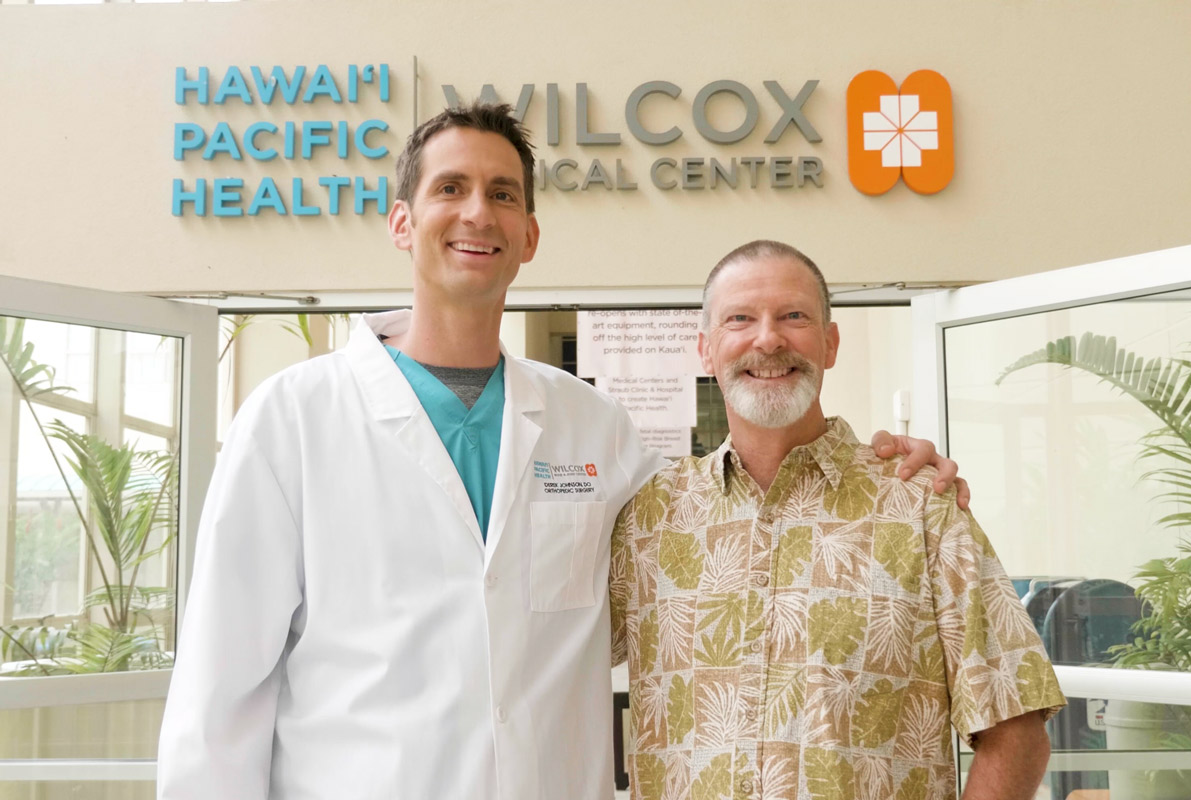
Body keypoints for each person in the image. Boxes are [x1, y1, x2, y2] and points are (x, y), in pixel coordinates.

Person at [157, 106, 964, 800]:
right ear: (401, 222)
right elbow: (220, 694)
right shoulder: (294, 419)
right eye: (450, 188)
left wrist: (889, 471)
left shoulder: (593, 427)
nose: (478, 213)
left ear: (530, 236)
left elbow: (727, 529)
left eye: (502, 194)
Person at [610, 240, 1065, 800]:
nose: (769, 338)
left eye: (793, 316)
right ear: (706, 350)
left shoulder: (919, 504)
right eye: (740, 319)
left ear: (830, 343)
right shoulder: (650, 517)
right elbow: (538, 659)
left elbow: (1015, 728)